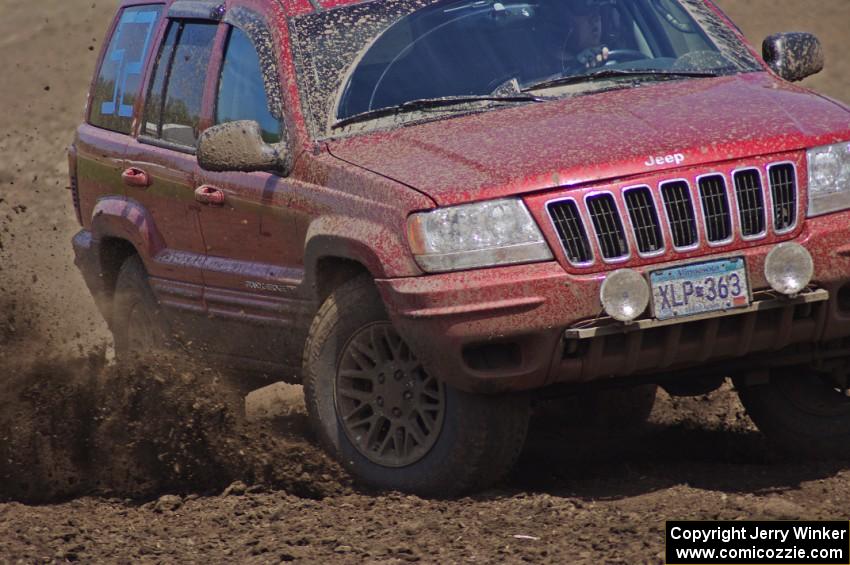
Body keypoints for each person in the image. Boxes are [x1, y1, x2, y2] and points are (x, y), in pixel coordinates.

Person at [562, 1, 611, 71]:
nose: (596, 18)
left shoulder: (610, 53)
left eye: (598, 11)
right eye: (585, 12)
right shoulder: (554, 70)